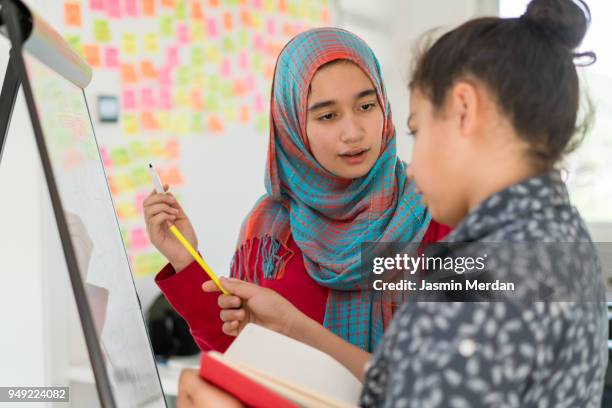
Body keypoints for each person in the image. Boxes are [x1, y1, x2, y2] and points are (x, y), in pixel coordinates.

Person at [187, 0, 608, 406]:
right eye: (327, 115)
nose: (413, 166)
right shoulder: (555, 236)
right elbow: (402, 387)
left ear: (463, 110)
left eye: (416, 130)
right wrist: (292, 325)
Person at [143, 27, 450, 355]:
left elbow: (477, 372)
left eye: (366, 106)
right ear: (290, 126)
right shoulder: (267, 231)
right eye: (328, 115)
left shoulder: (438, 208)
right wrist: (185, 261)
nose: (354, 132)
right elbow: (239, 355)